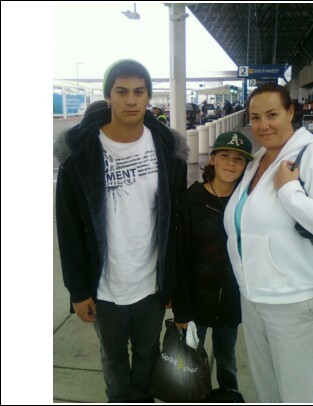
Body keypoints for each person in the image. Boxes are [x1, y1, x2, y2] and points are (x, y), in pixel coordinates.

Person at [54, 59, 188, 403]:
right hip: (104, 287)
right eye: (122, 92)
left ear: (148, 99)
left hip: (150, 286)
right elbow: (68, 230)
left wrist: (172, 280)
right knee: (113, 360)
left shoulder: (169, 153)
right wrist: (77, 289)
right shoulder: (80, 157)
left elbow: (176, 225)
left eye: (139, 92)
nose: (131, 100)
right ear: (108, 98)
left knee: (147, 354)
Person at [223, 82, 313, 403]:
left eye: (272, 114)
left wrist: (289, 193)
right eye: (255, 117)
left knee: (296, 395)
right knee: (267, 391)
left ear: (291, 112)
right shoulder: (257, 160)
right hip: (253, 298)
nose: (263, 125)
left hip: (293, 302)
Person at [172, 131, 254, 392]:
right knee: (192, 364)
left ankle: (228, 396)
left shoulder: (247, 205)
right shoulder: (190, 202)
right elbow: (180, 257)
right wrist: (181, 309)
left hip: (230, 302)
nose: (231, 163)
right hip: (197, 303)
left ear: (245, 167)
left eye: (239, 159)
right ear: (212, 161)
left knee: (227, 360)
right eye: (225, 156)